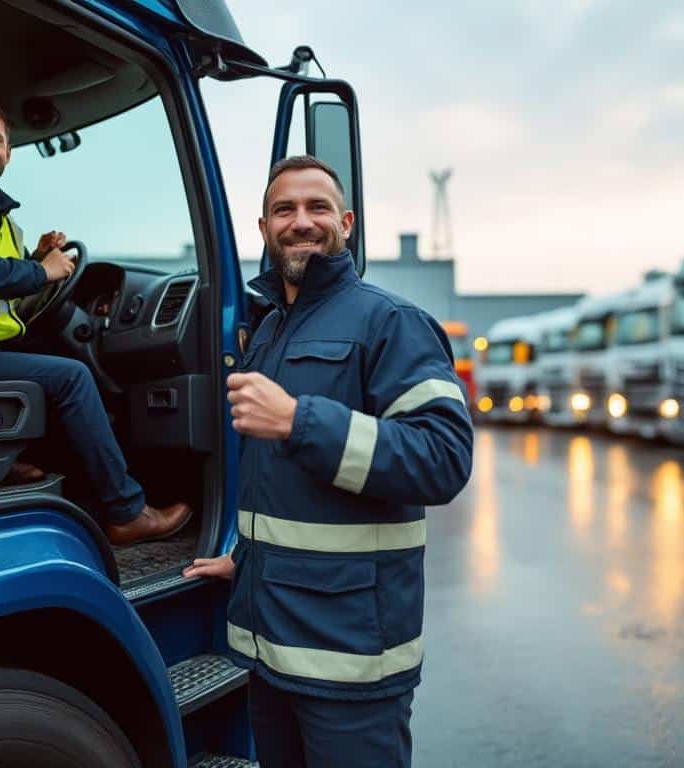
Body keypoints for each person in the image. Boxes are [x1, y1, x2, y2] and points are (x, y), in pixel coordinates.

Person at [183, 155, 474, 766]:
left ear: (346, 223)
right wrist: (248, 559)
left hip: (351, 664)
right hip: (271, 653)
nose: (301, 221)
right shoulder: (269, 330)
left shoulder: (391, 322)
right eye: (283, 209)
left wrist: (300, 421)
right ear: (263, 228)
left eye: (317, 207)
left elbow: (444, 458)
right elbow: (281, 485)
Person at [0, 93, 191, 546]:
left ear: (8, 152)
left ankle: (20, 464)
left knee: (62, 359)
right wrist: (43, 271)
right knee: (73, 377)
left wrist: (35, 258)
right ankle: (126, 511)